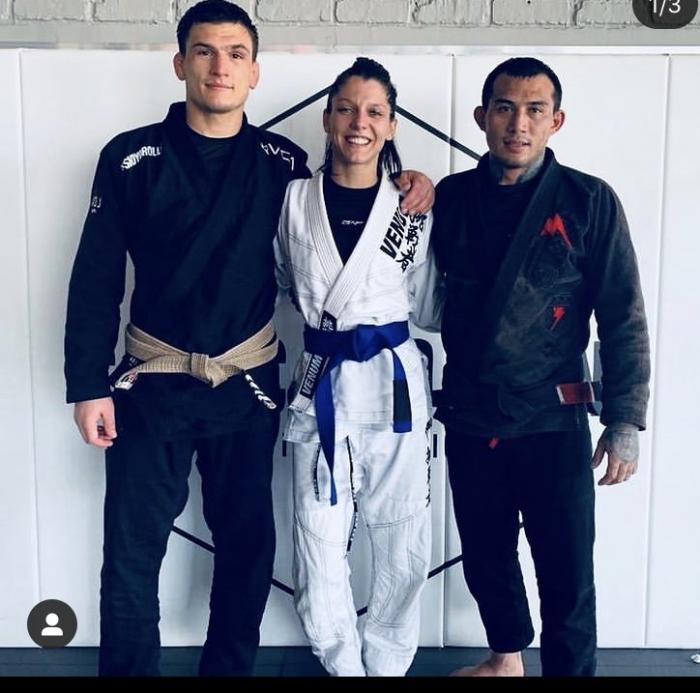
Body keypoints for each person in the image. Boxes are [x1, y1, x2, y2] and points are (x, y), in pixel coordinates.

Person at [64, 0, 432, 677]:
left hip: (247, 385)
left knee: (247, 548)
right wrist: (87, 383)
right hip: (150, 381)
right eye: (204, 51)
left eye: (236, 53)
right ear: (180, 64)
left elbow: (345, 206)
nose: (220, 67)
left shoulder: (281, 164)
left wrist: (408, 183)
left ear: (255, 71)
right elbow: (95, 277)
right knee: (132, 550)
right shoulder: (130, 158)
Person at [432, 57, 650, 677]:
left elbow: (623, 313)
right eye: (505, 108)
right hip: (472, 410)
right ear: (483, 116)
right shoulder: (451, 199)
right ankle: (506, 659)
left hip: (554, 416)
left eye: (534, 110)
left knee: (567, 571)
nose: (518, 124)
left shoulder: (588, 200)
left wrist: (624, 419)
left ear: (556, 121)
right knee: (485, 555)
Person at [274, 57, 441, 677]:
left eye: (374, 112)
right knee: (316, 541)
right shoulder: (293, 200)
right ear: (327, 118)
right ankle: (344, 667)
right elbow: (283, 280)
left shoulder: (411, 206)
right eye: (346, 109)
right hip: (319, 382)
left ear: (392, 125)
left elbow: (428, 302)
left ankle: (389, 667)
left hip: (395, 390)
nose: (358, 123)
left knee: (402, 539)